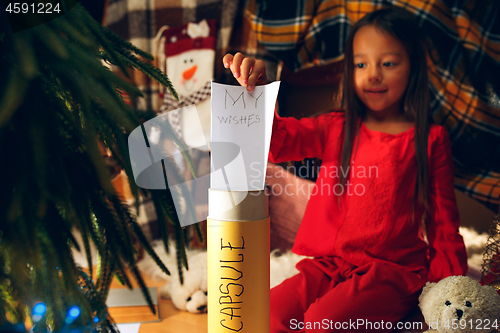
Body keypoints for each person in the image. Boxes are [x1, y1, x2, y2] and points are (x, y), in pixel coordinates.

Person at [223, 7, 467, 333]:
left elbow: (443, 223)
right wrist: (259, 92)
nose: (373, 74)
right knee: (267, 314)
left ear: (413, 69)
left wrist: (446, 292)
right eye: (361, 64)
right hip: (331, 265)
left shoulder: (429, 138)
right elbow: (279, 144)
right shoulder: (337, 126)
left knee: (322, 323)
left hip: (391, 270)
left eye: (389, 63)